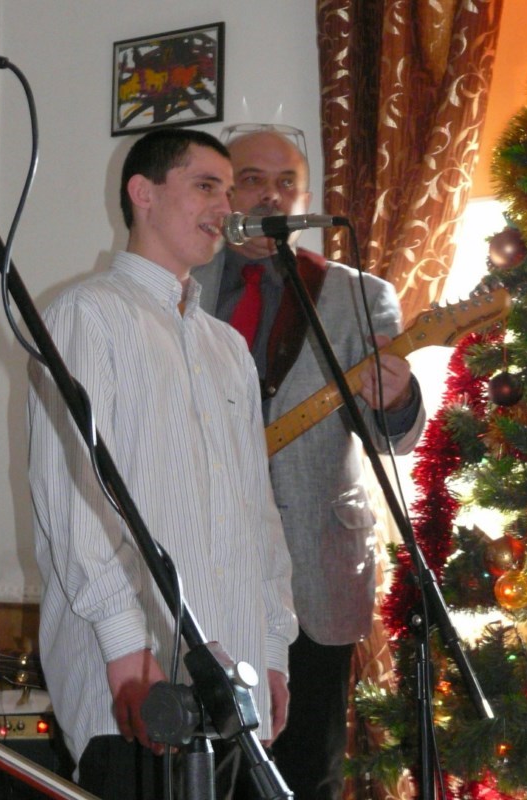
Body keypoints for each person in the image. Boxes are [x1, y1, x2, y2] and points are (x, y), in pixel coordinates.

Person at [27, 127, 297, 800]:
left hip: (231, 686)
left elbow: (256, 512)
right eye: (206, 186)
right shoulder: (85, 316)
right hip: (132, 678)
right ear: (142, 193)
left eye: (228, 191)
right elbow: (73, 497)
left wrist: (270, 649)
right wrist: (127, 648)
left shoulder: (226, 346)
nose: (226, 207)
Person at [193, 125, 426, 800]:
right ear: (224, 191)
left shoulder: (360, 295)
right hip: (201, 565)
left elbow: (392, 439)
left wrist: (398, 398)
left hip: (314, 575)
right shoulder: (179, 284)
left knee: (304, 772)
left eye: (287, 183)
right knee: (206, 767)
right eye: (252, 179)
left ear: (306, 200)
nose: (271, 195)